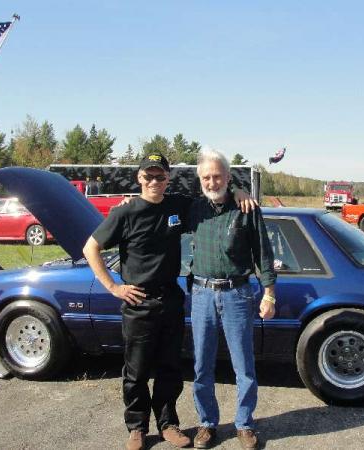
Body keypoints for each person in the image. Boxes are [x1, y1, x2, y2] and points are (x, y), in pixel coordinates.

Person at [82, 153, 255, 450]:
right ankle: (137, 427)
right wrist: (113, 287)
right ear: (139, 178)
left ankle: (167, 424)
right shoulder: (125, 212)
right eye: (148, 176)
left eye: (160, 176)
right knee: (136, 371)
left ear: (168, 179)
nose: (154, 182)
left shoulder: (178, 205)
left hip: (171, 299)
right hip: (138, 302)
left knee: (169, 367)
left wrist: (239, 190)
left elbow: (215, 196)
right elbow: (90, 248)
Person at [188, 149, 276, 450]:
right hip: (201, 295)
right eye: (206, 177)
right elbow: (156, 202)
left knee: (244, 365)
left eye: (217, 176)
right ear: (200, 179)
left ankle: (245, 424)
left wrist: (269, 293)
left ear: (228, 177)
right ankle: (207, 423)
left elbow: (264, 253)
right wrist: (129, 200)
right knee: (201, 365)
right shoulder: (194, 208)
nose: (212, 182)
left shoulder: (247, 209)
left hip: (237, 294)